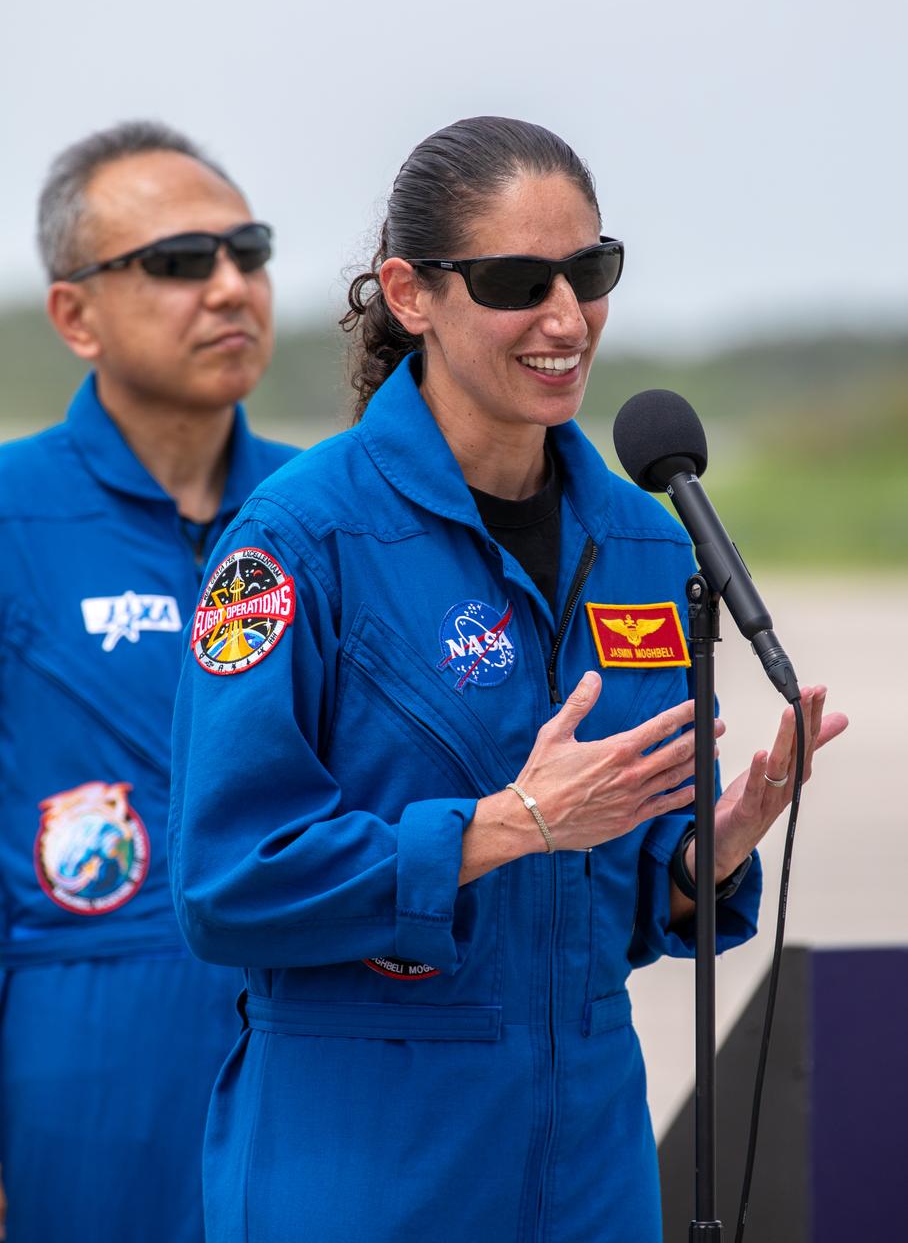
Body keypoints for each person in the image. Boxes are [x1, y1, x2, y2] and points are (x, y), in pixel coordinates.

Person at [169, 116, 847, 1243]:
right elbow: (226, 881)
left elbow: (600, 898)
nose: (564, 316)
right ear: (409, 291)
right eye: (515, 280)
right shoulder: (295, 539)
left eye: (589, 272)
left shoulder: (642, 539)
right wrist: (498, 826)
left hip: (586, 1157)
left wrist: (696, 859)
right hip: (367, 1155)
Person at [0, 121, 297, 1243]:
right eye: (179, 263)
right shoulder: (11, 516)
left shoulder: (326, 515)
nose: (229, 287)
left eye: (249, 252)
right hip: (81, 1073)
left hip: (306, 1055)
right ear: (75, 313)